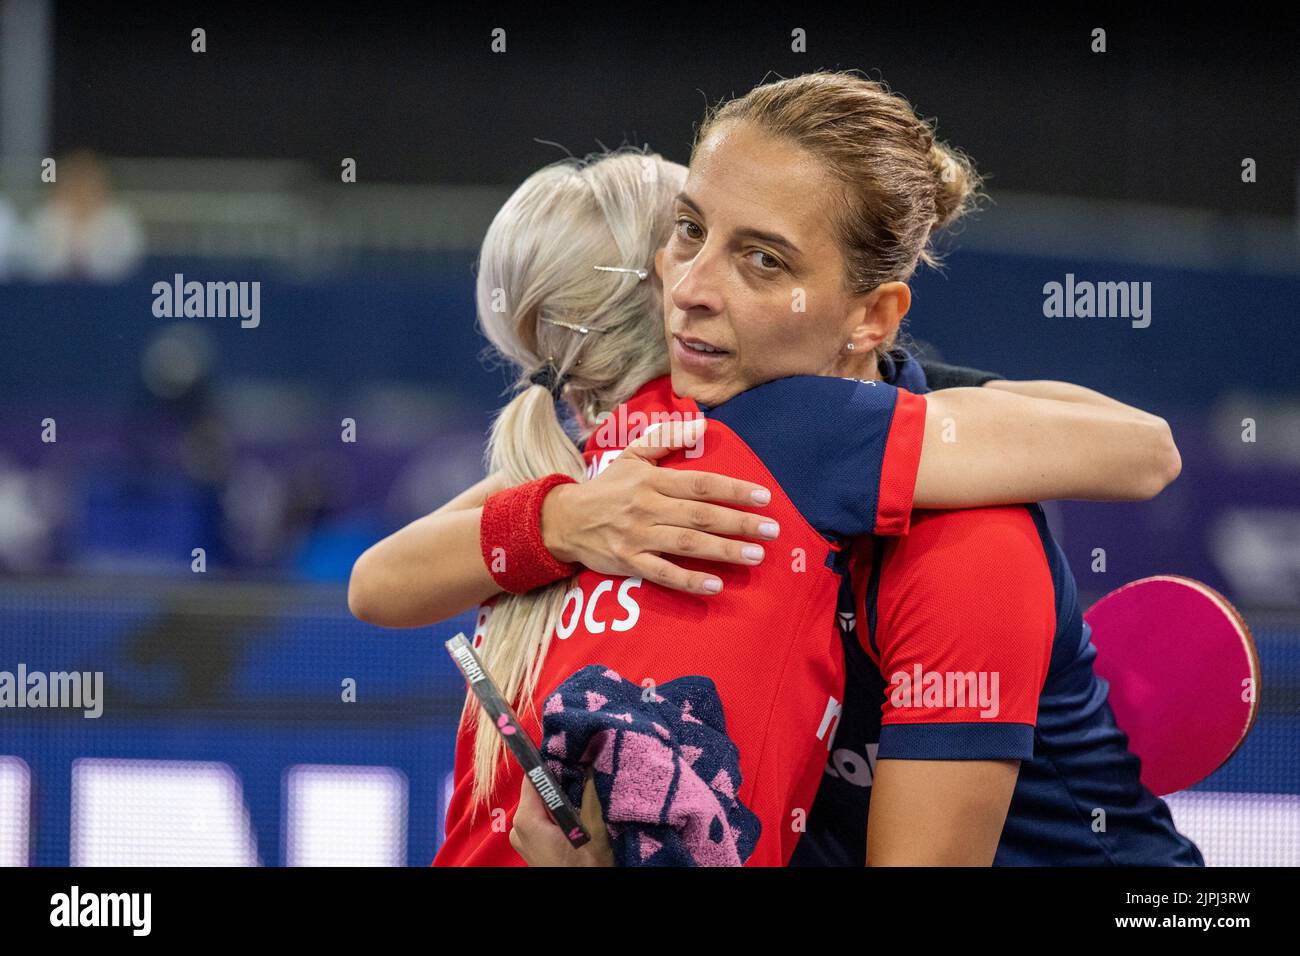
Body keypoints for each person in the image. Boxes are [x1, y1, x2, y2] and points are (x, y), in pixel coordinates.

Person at [351, 76, 1183, 866]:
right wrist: (561, 521)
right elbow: (381, 580)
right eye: (688, 230)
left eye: (763, 261)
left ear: (871, 318)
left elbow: (1148, 450)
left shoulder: (966, 544)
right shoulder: (662, 437)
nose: (689, 289)